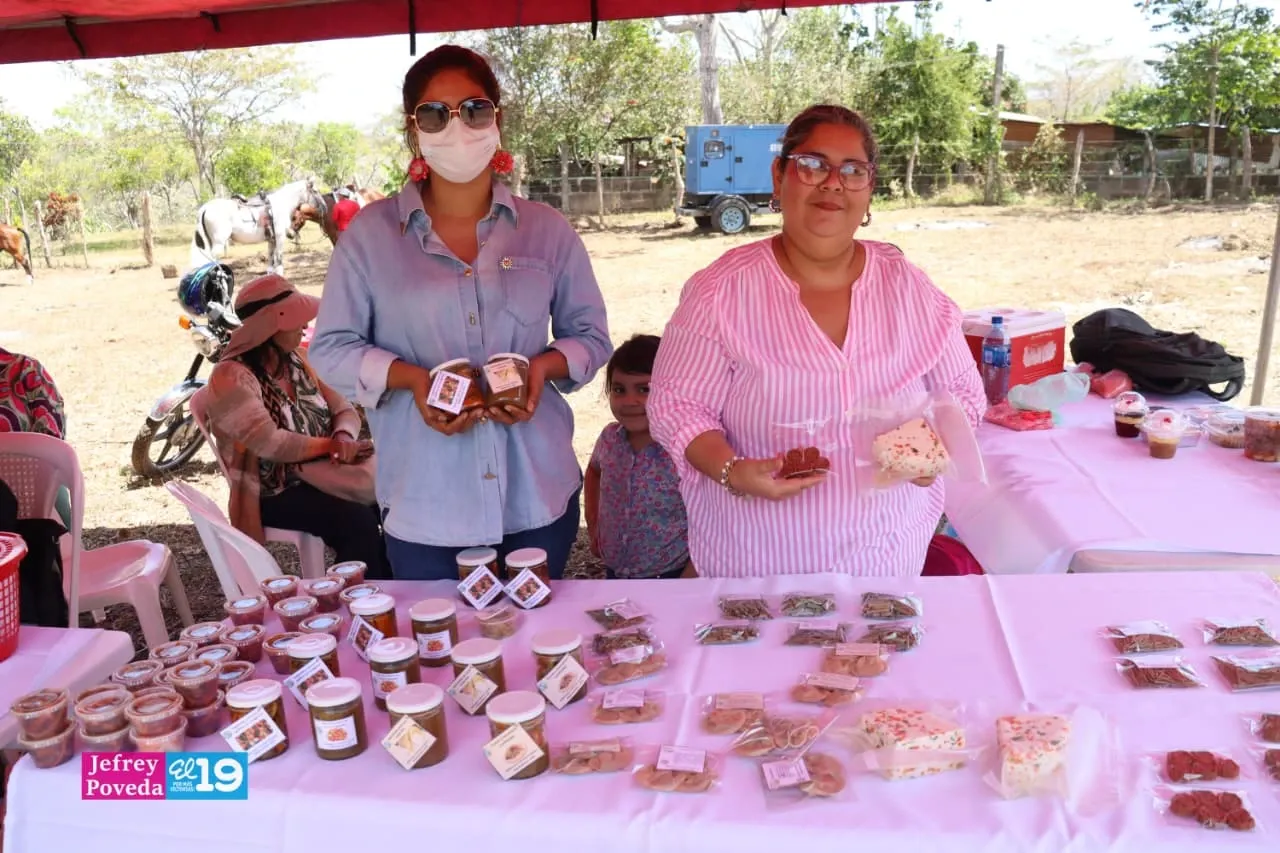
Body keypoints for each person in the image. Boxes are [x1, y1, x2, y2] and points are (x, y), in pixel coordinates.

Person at [308, 45, 611, 581]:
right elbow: (331, 349)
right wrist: (412, 380)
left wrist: (540, 370)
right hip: (428, 509)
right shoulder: (370, 238)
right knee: (443, 654)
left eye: (474, 109)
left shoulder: (546, 230)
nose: (457, 127)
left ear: (498, 119)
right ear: (413, 129)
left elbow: (589, 336)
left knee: (535, 650)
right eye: (434, 114)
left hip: (537, 498)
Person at [648, 104, 985, 578]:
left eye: (853, 171)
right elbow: (676, 405)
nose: (832, 183)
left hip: (885, 561)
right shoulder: (720, 292)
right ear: (779, 175)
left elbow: (965, 394)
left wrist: (931, 450)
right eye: (813, 164)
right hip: (756, 569)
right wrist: (733, 471)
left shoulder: (910, 288)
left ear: (869, 192)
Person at [202, 273, 390, 578]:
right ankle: (361, 603)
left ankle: (391, 589)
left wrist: (343, 435)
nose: (304, 326)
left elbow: (344, 408)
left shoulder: (299, 360)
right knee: (356, 521)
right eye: (296, 319)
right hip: (274, 490)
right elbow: (272, 444)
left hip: (321, 470)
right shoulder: (231, 377)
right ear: (270, 325)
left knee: (386, 505)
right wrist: (332, 446)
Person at [585, 334, 691, 579]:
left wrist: (691, 574)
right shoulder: (610, 439)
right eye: (619, 390)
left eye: (644, 389)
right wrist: (594, 526)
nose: (629, 401)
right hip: (615, 571)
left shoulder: (684, 448)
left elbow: (711, 516)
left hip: (670, 575)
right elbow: (593, 471)